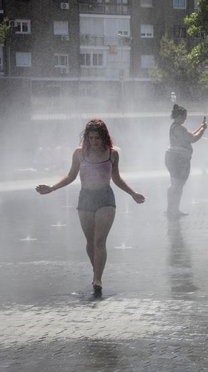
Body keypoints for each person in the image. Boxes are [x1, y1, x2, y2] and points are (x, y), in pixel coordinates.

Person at [36, 119, 145, 297]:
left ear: (104, 138)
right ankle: (97, 269)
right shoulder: (79, 153)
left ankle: (97, 279)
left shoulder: (112, 154)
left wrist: (132, 193)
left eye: (97, 138)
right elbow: (71, 176)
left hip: (105, 199)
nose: (94, 142)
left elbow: (116, 178)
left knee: (100, 241)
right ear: (86, 138)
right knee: (90, 242)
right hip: (85, 199)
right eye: (91, 138)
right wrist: (52, 188)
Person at [165, 103, 207, 218]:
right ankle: (173, 210)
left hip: (174, 158)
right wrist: (203, 130)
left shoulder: (175, 126)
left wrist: (200, 126)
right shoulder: (179, 128)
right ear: (179, 116)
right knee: (177, 185)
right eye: (184, 116)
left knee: (175, 184)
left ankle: (172, 209)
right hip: (178, 160)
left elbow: (190, 134)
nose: (185, 118)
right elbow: (193, 138)